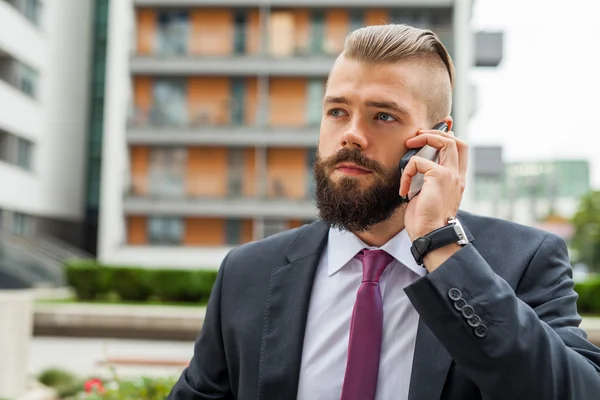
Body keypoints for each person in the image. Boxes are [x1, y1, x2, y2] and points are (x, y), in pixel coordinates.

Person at [167, 24, 600, 400]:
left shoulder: (524, 259)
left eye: (383, 116)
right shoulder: (248, 272)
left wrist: (442, 247)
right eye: (337, 111)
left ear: (435, 138)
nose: (351, 135)